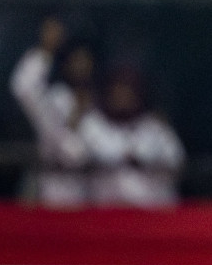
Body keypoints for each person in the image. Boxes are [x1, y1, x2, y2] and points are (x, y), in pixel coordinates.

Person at [10, 17, 94, 207]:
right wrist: (46, 50)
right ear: (65, 64)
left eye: (86, 59)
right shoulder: (56, 98)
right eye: (76, 60)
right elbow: (23, 89)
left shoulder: (103, 102)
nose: (81, 65)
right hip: (57, 196)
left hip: (97, 200)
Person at [78, 66, 184, 208]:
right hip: (104, 213)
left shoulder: (155, 127)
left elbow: (177, 161)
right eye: (118, 90)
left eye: (128, 90)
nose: (122, 96)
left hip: (152, 214)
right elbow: (74, 158)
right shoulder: (92, 125)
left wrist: (144, 162)